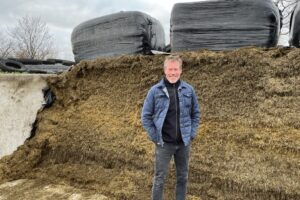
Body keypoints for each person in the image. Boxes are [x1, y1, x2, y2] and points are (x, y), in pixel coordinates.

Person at [141, 55, 201, 200]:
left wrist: (191, 134)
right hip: (164, 144)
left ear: (180, 70)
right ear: (165, 70)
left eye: (175, 69)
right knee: (159, 178)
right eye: (170, 69)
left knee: (182, 177)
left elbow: (196, 114)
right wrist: (156, 137)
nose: (172, 73)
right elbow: (146, 117)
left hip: (183, 143)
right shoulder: (155, 91)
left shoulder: (189, 90)